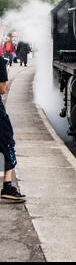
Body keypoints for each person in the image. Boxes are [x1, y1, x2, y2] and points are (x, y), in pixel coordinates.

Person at [0, 57, 26, 202]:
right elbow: (2, 89)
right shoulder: (0, 62)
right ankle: (7, 187)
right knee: (7, 145)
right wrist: (5, 73)